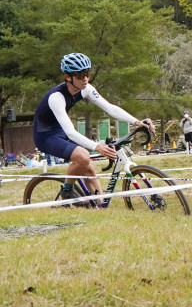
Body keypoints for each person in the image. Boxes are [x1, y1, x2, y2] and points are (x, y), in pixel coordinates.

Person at [32, 52, 155, 199]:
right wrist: (98, 147)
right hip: (45, 135)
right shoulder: (56, 97)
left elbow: (110, 108)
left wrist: (136, 121)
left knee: (88, 168)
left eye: (87, 74)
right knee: (83, 157)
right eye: (80, 75)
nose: (85, 79)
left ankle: (99, 205)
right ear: (68, 77)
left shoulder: (85, 88)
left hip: (60, 130)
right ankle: (67, 190)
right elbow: (71, 132)